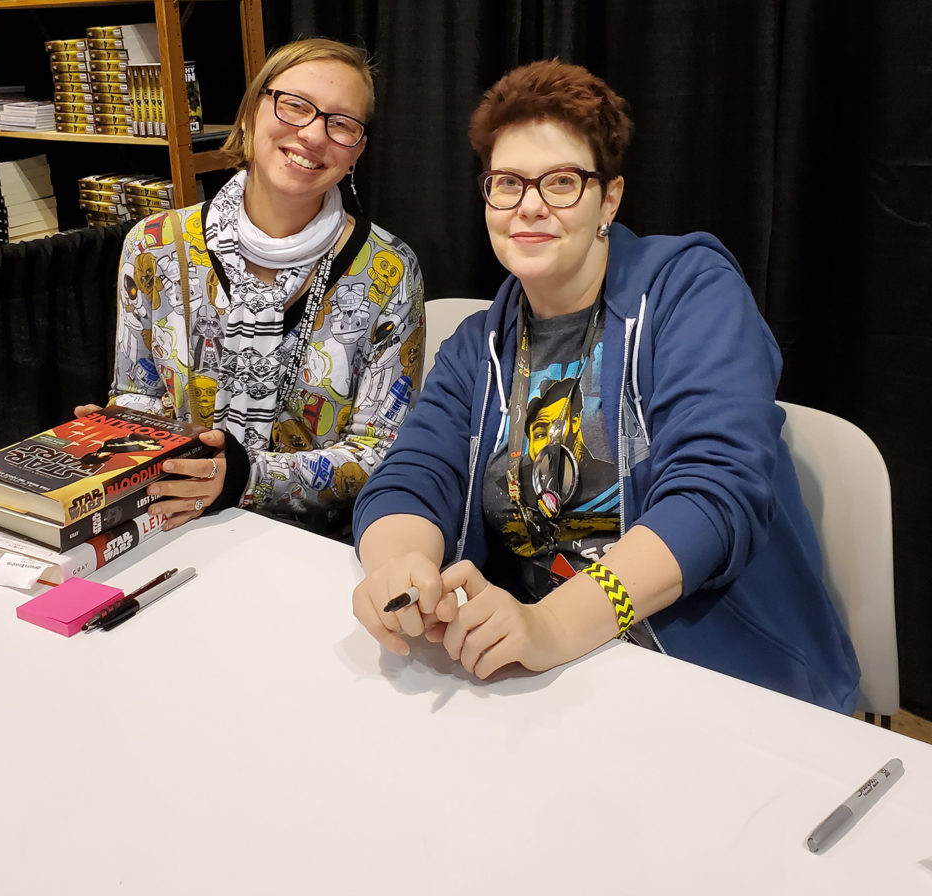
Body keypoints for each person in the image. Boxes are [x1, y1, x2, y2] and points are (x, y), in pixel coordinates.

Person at [351, 58, 859, 713]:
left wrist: (552, 625)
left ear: (609, 198)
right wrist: (400, 569)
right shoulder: (480, 345)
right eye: (507, 182)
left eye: (561, 181)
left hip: (725, 686)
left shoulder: (689, 293)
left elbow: (714, 495)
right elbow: (410, 476)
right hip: (560, 684)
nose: (529, 205)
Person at [86, 38, 424, 536]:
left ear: (357, 151)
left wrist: (243, 476)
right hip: (173, 524)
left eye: (342, 124)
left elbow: (383, 451)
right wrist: (113, 437)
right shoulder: (155, 246)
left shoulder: (389, 269)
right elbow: (138, 398)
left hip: (313, 545)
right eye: (294, 106)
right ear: (250, 113)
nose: (312, 135)